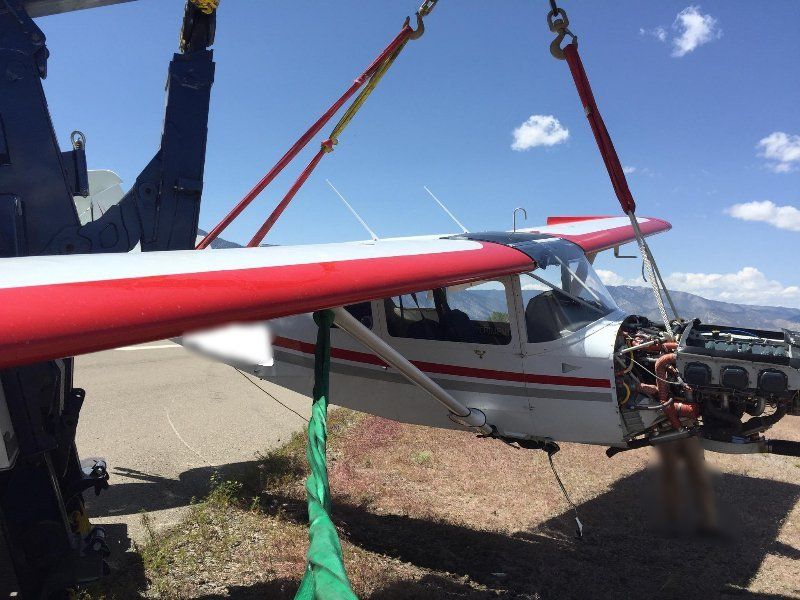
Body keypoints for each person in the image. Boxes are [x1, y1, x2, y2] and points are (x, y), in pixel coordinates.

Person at [656, 435, 718, 535]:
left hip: (688, 429)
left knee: (699, 475)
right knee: (670, 475)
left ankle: (708, 523)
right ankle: (672, 521)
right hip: (665, 430)